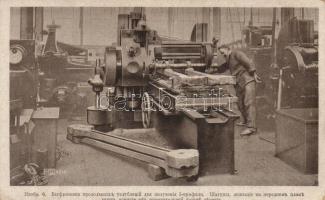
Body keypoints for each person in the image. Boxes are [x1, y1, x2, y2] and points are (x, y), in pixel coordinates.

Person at [211, 45, 261, 136]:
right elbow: (222, 68)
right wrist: (210, 71)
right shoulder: (229, 59)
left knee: (249, 103)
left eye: (223, 53)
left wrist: (253, 73)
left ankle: (251, 127)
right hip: (239, 82)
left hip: (247, 80)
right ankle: (246, 121)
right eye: (221, 53)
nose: (223, 55)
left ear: (228, 49)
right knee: (240, 103)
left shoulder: (237, 53)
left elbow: (248, 62)